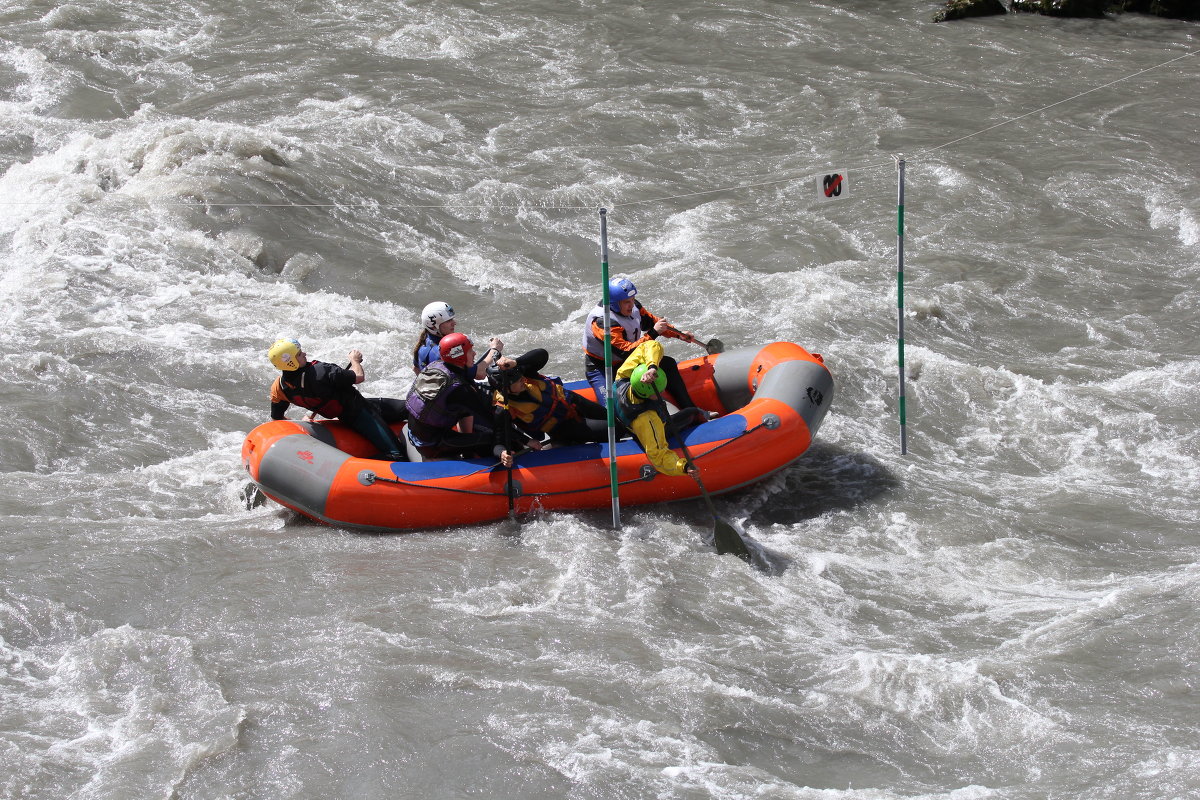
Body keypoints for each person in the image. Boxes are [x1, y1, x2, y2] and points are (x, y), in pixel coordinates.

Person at [406, 332, 538, 464]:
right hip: (432, 445)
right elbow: (489, 418)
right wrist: (525, 440)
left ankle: (469, 453)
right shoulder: (460, 390)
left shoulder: (435, 366)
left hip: (416, 434)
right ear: (460, 357)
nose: (475, 354)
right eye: (470, 351)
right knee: (492, 436)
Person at [268, 338, 408, 461]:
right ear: (290, 362)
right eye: (299, 354)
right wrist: (355, 360)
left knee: (411, 408)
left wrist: (303, 427)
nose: (304, 354)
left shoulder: (279, 387)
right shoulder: (321, 371)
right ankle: (357, 470)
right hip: (361, 414)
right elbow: (359, 376)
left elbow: (277, 418)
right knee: (397, 455)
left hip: (352, 412)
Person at [581, 277, 700, 409]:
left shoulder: (633, 306)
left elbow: (654, 322)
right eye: (627, 302)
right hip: (603, 368)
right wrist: (653, 333)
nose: (631, 305)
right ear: (614, 303)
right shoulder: (603, 323)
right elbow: (625, 352)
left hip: (628, 360)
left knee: (669, 363)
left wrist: (679, 334)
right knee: (612, 410)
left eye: (632, 300)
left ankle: (692, 410)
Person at [611, 339, 707, 478]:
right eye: (660, 392)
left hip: (623, 414)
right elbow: (658, 456)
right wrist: (684, 467)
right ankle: (703, 416)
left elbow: (649, 345)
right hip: (640, 427)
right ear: (648, 395)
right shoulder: (648, 419)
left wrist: (652, 366)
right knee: (691, 412)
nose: (662, 393)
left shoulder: (623, 376)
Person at [487, 355, 626, 446]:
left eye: (521, 377)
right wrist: (527, 441)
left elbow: (542, 354)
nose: (523, 380)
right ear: (505, 388)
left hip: (575, 403)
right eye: (517, 381)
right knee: (616, 431)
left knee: (616, 422)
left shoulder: (527, 375)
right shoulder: (503, 408)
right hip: (564, 426)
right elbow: (501, 435)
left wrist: (516, 362)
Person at [411, 300, 504, 380]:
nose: (454, 323)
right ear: (433, 327)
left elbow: (416, 369)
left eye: (452, 319)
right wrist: (494, 350)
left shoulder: (424, 342)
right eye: (448, 321)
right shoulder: (446, 351)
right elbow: (480, 373)